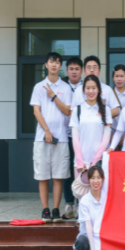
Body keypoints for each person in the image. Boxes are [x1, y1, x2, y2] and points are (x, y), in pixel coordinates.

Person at [30, 52, 73, 223]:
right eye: (51, 62)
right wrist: (47, 131)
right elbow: (36, 111)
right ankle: (45, 210)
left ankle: (56, 209)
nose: (54, 65)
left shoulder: (66, 88)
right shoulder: (39, 87)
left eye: (57, 62)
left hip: (61, 138)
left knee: (58, 176)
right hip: (42, 138)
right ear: (46, 65)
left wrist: (54, 96)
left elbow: (68, 111)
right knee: (43, 176)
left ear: (60, 66)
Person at [70, 75, 112, 182]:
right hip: (81, 164)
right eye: (88, 88)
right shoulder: (77, 110)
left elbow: (106, 139)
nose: (91, 91)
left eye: (94, 88)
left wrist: (96, 161)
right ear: (84, 90)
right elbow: (75, 139)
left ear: (99, 90)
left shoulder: (106, 110)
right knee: (81, 192)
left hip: (100, 163)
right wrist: (80, 161)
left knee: (99, 192)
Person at [73, 161, 110, 250]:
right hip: (88, 239)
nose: (96, 181)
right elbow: (88, 227)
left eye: (98, 178)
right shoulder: (85, 201)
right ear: (88, 180)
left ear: (103, 179)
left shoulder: (107, 198)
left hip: (102, 238)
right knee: (81, 241)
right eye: (93, 178)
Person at [63, 56, 84, 218]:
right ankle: (68, 203)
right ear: (66, 71)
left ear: (81, 71)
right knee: (67, 170)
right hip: (64, 134)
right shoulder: (62, 87)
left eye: (77, 69)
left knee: (80, 169)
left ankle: (80, 204)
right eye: (71, 69)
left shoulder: (87, 87)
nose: (74, 72)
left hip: (82, 136)